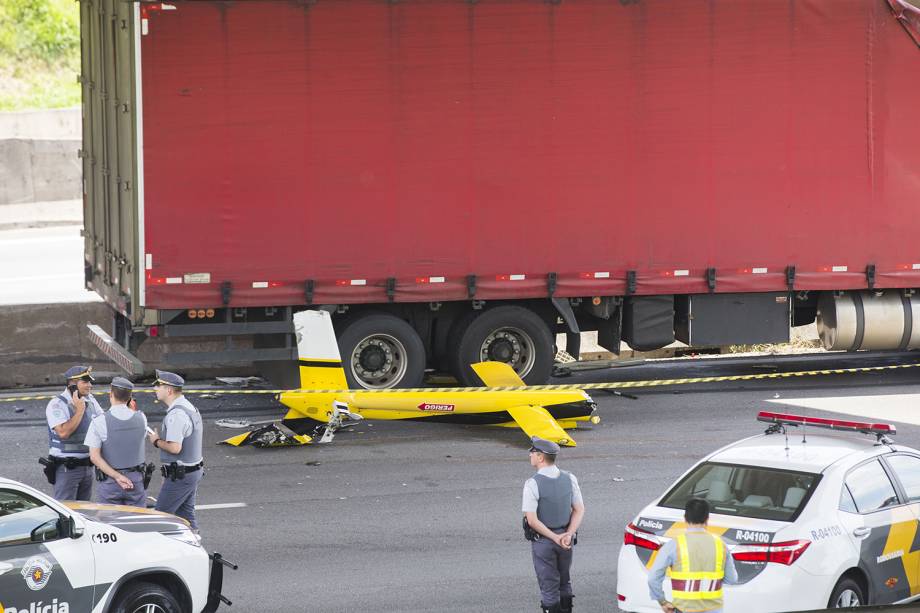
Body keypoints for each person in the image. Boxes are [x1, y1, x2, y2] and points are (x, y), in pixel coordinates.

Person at [522, 436, 585, 613]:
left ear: (541, 457)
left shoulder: (532, 484)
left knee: (549, 587)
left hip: (545, 542)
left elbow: (532, 520)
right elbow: (579, 509)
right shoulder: (570, 478)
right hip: (566, 540)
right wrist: (568, 534)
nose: (530, 456)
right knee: (564, 582)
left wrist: (555, 537)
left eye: (532, 452)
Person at [647, 498, 738, 613]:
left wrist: (662, 601)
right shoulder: (721, 544)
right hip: (715, 609)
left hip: (683, 609)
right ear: (707, 519)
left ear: (685, 518)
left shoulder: (674, 545)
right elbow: (732, 579)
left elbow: (653, 578)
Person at [146, 370, 204, 531]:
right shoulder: (187, 407)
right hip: (191, 471)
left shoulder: (177, 414)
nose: (155, 389)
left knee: (161, 517)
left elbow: (174, 447)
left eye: (158, 386)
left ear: (169, 390)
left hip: (181, 475)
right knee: (185, 515)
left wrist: (156, 441)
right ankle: (195, 549)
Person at [85, 377, 149, 507]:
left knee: (109, 523)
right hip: (136, 479)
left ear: (111, 394)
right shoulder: (141, 417)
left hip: (110, 480)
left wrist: (117, 476)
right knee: (136, 521)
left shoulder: (99, 421)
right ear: (130, 397)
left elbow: (94, 457)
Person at [43, 365, 104, 501]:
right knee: (66, 512)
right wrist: (80, 410)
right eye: (85, 382)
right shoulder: (57, 404)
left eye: (90, 382)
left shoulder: (91, 400)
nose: (90, 386)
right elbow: (63, 433)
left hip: (87, 467)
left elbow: (103, 424)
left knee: (84, 512)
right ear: (72, 385)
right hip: (67, 469)